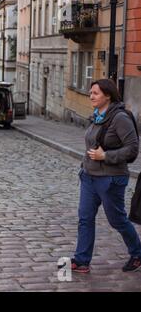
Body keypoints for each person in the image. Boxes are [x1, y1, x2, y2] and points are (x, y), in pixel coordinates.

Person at [68, 79, 141, 273]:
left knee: (116, 219)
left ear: (107, 95)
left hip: (111, 178)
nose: (91, 96)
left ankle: (138, 252)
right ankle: (82, 261)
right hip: (89, 176)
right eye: (90, 92)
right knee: (85, 218)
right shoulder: (97, 116)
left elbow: (133, 150)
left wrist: (105, 156)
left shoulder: (120, 118)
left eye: (95, 93)